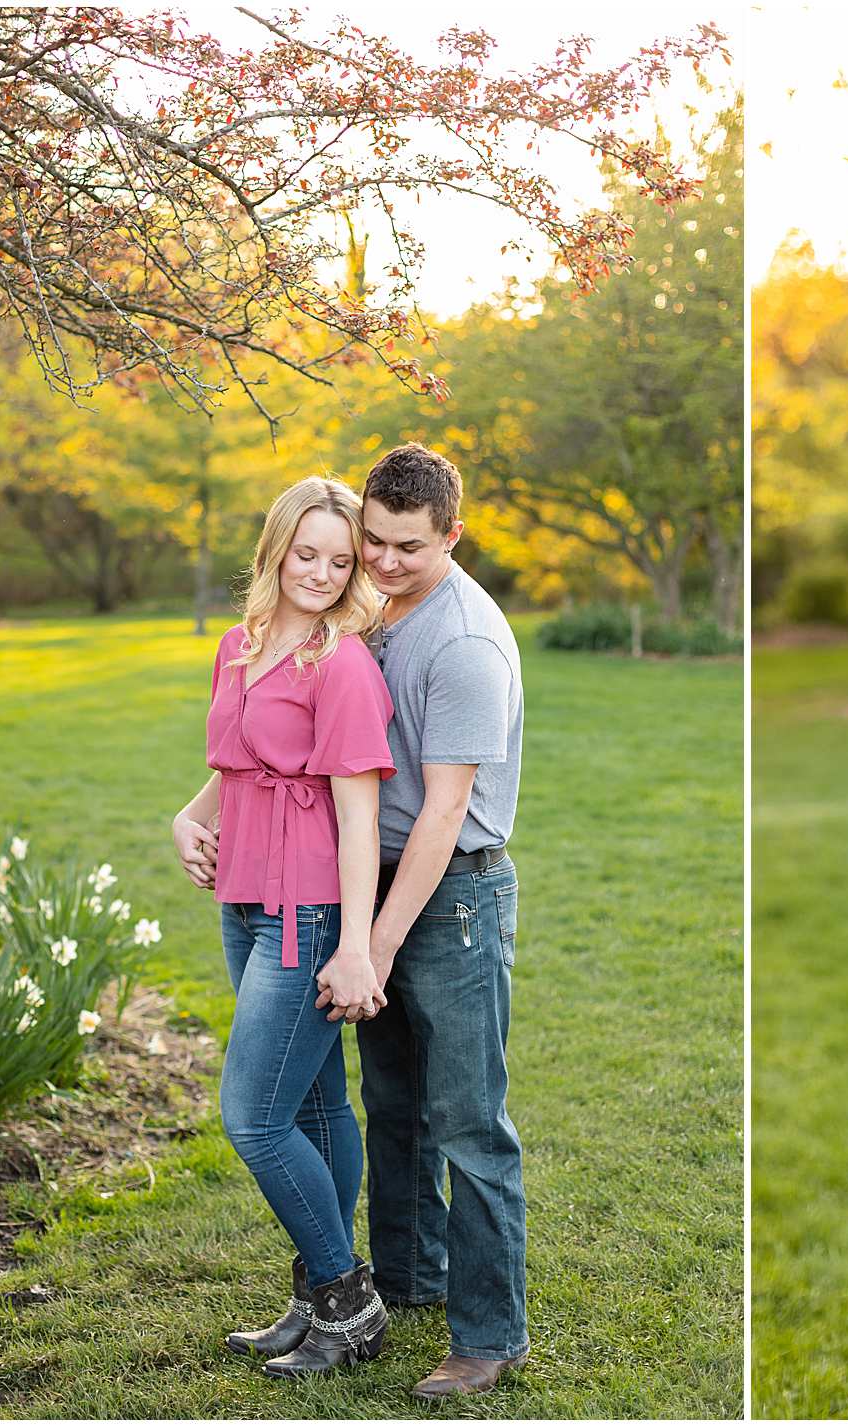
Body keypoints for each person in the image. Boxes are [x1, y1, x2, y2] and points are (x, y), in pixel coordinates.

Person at [170, 476, 397, 1378]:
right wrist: (185, 820)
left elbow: (357, 812)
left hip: (307, 910)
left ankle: (349, 1298)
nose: (322, 571)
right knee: (314, 1102)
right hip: (242, 894)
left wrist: (354, 939)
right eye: (308, 553)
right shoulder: (240, 643)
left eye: (340, 561)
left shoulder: (341, 662)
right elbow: (233, 762)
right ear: (275, 550)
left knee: (254, 1116)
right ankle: (315, 1303)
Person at [345, 443, 529, 1400]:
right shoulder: (384, 611)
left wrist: (375, 946)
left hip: (452, 897)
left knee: (467, 1125)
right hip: (384, 882)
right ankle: (411, 1280)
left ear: (453, 535)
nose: (380, 561)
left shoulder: (461, 641)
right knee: (396, 1110)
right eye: (371, 539)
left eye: (406, 547)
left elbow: (446, 810)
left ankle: (489, 1337)